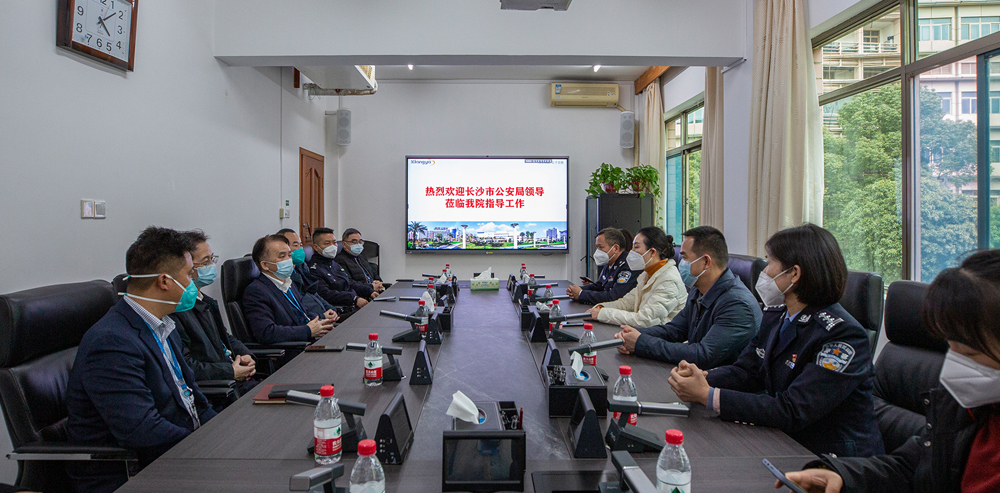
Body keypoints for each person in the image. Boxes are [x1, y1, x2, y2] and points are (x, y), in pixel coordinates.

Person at [778, 249, 1000, 493]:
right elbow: (911, 468)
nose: (954, 364)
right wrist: (841, 476)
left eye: (969, 354)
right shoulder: (964, 406)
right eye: (950, 346)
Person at [669, 224, 884, 459]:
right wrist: (702, 378)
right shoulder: (776, 315)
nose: (764, 272)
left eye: (769, 263)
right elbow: (747, 372)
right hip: (781, 440)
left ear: (794, 274)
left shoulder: (843, 336)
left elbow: (793, 409)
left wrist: (708, 395)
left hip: (833, 460)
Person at [66, 227, 217, 492]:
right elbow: (143, 430)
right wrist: (205, 447)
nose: (193, 281)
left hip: (180, 452)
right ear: (164, 281)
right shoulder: (111, 342)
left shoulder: (163, 325)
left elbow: (194, 398)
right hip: (137, 472)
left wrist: (222, 434)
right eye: (189, 274)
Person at [613, 226, 761, 369]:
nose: (680, 263)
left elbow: (703, 355)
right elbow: (675, 330)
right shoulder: (698, 290)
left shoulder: (737, 305)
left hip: (721, 381)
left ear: (706, 262)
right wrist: (634, 335)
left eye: (684, 257)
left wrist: (640, 343)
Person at [169, 230, 258, 397]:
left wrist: (245, 354)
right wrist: (230, 371)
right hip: (219, 390)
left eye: (212, 259)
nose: (211, 265)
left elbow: (224, 337)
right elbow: (186, 366)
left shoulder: (205, 300)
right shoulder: (175, 310)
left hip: (236, 381)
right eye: (206, 261)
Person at [242, 234, 337, 344]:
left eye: (289, 255)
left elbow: (302, 314)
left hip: (311, 340)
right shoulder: (256, 291)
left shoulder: (288, 282)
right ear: (265, 265)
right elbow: (267, 332)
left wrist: (322, 319)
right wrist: (307, 331)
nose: (289, 260)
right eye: (282, 256)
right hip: (294, 349)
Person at [585, 227, 686, 327]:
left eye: (636, 247)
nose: (631, 251)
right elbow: (626, 303)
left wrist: (602, 314)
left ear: (652, 252)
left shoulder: (669, 280)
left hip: (662, 336)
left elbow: (645, 320)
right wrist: (600, 307)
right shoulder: (646, 275)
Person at [277, 228, 350, 317]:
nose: (300, 249)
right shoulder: (282, 274)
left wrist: (331, 309)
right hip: (314, 319)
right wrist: (322, 316)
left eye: (301, 245)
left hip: (325, 314)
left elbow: (314, 292)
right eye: (295, 245)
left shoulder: (302, 267)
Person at [567, 227, 641, 305]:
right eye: (597, 247)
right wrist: (576, 290)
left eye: (601, 247)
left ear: (616, 248)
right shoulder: (609, 262)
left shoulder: (629, 265)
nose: (598, 251)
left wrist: (581, 294)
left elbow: (614, 296)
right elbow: (600, 285)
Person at [308, 227, 375, 308]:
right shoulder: (314, 269)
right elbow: (325, 294)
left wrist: (369, 290)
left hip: (354, 302)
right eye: (327, 243)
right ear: (316, 247)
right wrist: (354, 299)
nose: (332, 246)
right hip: (340, 308)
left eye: (334, 242)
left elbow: (348, 284)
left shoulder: (334, 263)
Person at [335, 228, 384, 294]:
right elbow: (349, 282)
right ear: (344, 244)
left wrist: (378, 282)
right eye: (354, 242)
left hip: (374, 290)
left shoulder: (361, 256)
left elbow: (373, 272)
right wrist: (371, 286)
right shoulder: (340, 260)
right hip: (361, 293)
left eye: (360, 242)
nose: (358, 244)